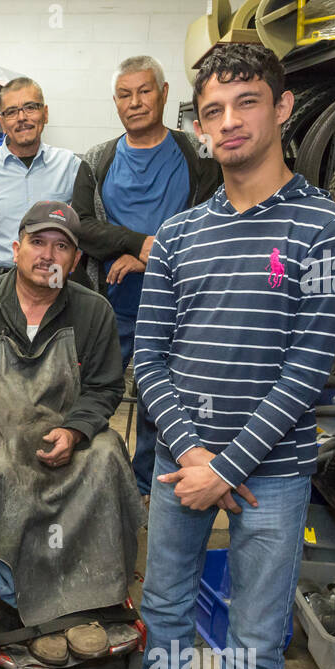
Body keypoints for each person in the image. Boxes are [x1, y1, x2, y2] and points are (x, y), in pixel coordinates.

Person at [89, 44, 335, 669]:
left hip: (269, 470)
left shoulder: (327, 230)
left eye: (246, 102)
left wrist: (230, 466)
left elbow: (310, 364)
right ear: (199, 126)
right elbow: (153, 354)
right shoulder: (178, 235)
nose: (229, 121)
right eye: (213, 111)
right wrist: (191, 455)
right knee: (166, 596)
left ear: (281, 110)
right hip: (184, 459)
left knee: (252, 626)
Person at [0, 201, 143, 667]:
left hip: (61, 427)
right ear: (16, 248)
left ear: (74, 262)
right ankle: (19, 608)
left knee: (109, 453)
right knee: (8, 473)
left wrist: (75, 430)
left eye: (62, 247)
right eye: (37, 242)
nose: (47, 255)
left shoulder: (94, 312)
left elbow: (106, 386)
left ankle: (90, 602)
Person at [71, 55, 221, 502]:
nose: (135, 102)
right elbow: (81, 225)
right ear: (115, 102)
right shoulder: (98, 159)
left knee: (165, 403)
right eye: (124, 94)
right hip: (111, 305)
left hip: (178, 305)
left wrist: (152, 257)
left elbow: (213, 223)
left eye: (144, 91)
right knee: (95, 391)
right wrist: (140, 243)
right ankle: (87, 480)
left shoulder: (198, 155)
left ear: (164, 92)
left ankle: (147, 488)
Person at [0, 77, 80, 285]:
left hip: (53, 282)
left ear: (45, 114)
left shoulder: (70, 165)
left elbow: (81, 229)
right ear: (2, 122)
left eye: (30, 107)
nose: (22, 117)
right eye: (11, 112)